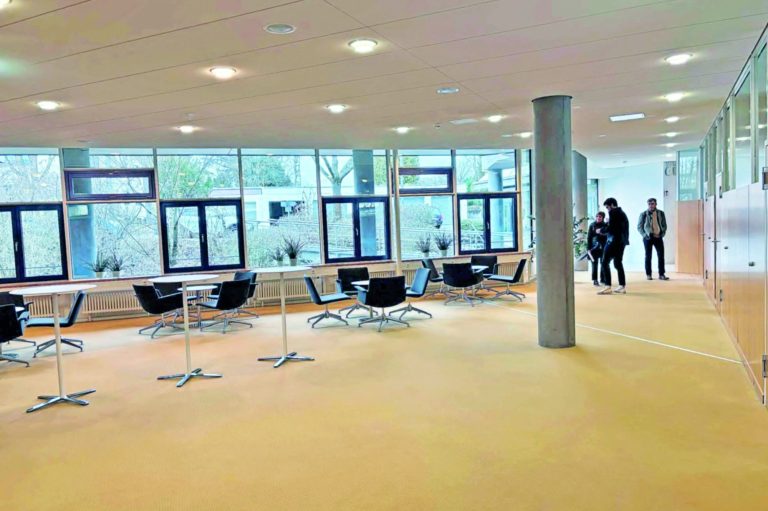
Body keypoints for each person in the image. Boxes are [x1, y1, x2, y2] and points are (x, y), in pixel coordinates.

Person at [599, 198, 630, 295]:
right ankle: (622, 286)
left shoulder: (613, 212)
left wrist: (601, 230)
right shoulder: (622, 213)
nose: (607, 209)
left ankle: (607, 286)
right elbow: (619, 227)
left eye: (607, 207)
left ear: (612, 205)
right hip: (622, 242)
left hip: (613, 241)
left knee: (604, 262)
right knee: (617, 263)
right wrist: (609, 223)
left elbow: (611, 228)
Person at [637, 197, 669, 281]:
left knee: (661, 256)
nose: (651, 205)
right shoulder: (643, 214)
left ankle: (661, 274)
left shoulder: (661, 213)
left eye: (652, 204)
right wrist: (645, 235)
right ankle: (648, 274)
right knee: (648, 256)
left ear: (656, 204)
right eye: (649, 204)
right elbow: (639, 227)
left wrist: (662, 234)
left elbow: (664, 225)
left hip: (658, 237)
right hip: (648, 238)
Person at [587, 211, 607, 286]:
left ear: (603, 218)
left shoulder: (605, 225)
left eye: (600, 217)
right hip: (594, 247)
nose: (598, 218)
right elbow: (589, 237)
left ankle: (603, 279)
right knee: (594, 264)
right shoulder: (592, 225)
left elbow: (607, 235)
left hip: (603, 247)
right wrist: (588, 248)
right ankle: (595, 280)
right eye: (597, 216)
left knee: (603, 263)